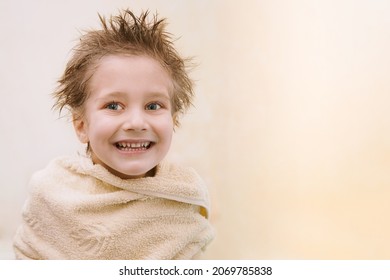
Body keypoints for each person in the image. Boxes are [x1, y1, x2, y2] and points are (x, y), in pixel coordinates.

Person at [13, 9, 214, 260]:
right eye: (113, 106)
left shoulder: (183, 197)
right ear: (81, 126)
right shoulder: (52, 195)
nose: (136, 122)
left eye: (153, 106)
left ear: (173, 121)